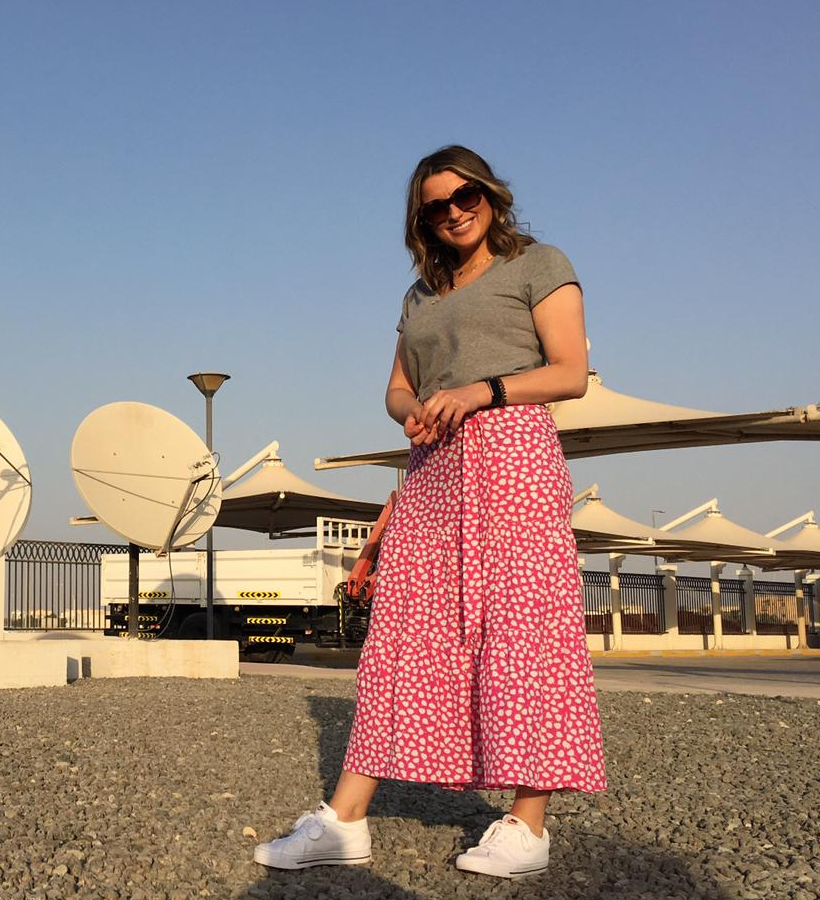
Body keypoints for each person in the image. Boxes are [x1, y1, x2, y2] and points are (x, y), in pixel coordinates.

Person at [253, 145, 607, 880]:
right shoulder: (420, 294)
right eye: (434, 205)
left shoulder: (538, 263)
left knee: (519, 625)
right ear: (421, 218)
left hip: (511, 450)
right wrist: (413, 409)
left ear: (491, 194)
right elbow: (395, 386)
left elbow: (570, 370)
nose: (452, 211)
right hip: (434, 463)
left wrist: (480, 392)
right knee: (405, 630)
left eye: (464, 195)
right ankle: (347, 819)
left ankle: (527, 822)